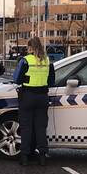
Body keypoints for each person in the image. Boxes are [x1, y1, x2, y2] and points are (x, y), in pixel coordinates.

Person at [12, 36, 55, 166]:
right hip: (42, 97)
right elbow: (51, 81)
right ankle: (42, 156)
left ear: (30, 47)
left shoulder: (25, 60)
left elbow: (17, 79)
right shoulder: (47, 61)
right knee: (41, 127)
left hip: (27, 96)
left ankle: (24, 157)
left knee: (26, 127)